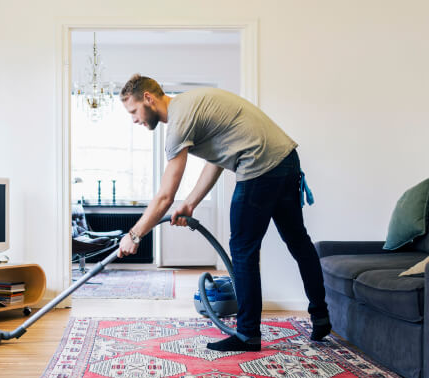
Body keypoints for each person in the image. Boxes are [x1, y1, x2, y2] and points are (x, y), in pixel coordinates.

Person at [116, 74, 332, 352]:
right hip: (286, 159)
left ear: (148, 98)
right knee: (298, 241)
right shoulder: (192, 106)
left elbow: (165, 196)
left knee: (242, 249)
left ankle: (247, 335)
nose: (134, 119)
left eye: (133, 111)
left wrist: (134, 235)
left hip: (259, 166)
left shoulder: (179, 121)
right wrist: (191, 202)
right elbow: (216, 161)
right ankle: (321, 315)